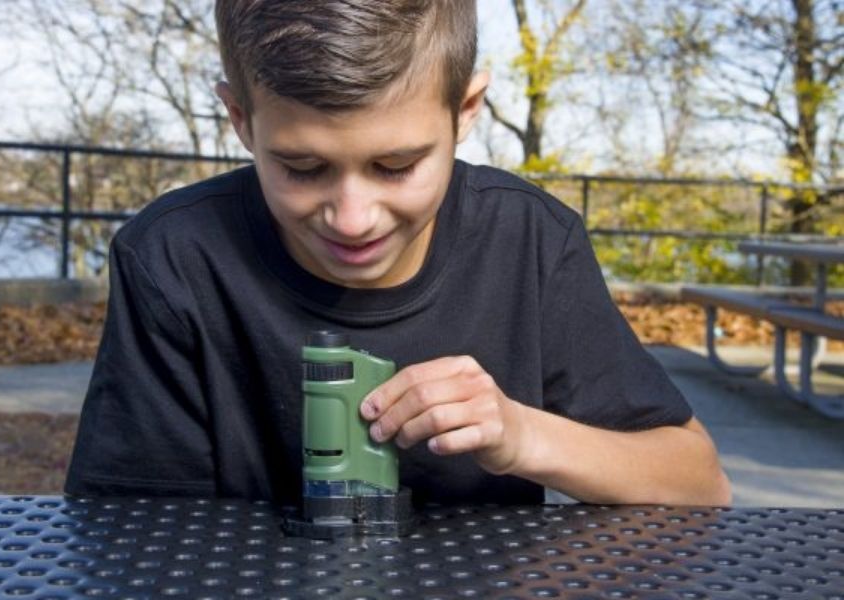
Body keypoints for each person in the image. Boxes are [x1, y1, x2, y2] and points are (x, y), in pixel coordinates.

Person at [65, 0, 731, 507]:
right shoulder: (173, 259)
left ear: (465, 109)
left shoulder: (530, 241)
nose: (352, 219)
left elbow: (700, 484)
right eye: (302, 167)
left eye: (396, 165)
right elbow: (130, 533)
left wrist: (520, 435)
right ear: (241, 121)